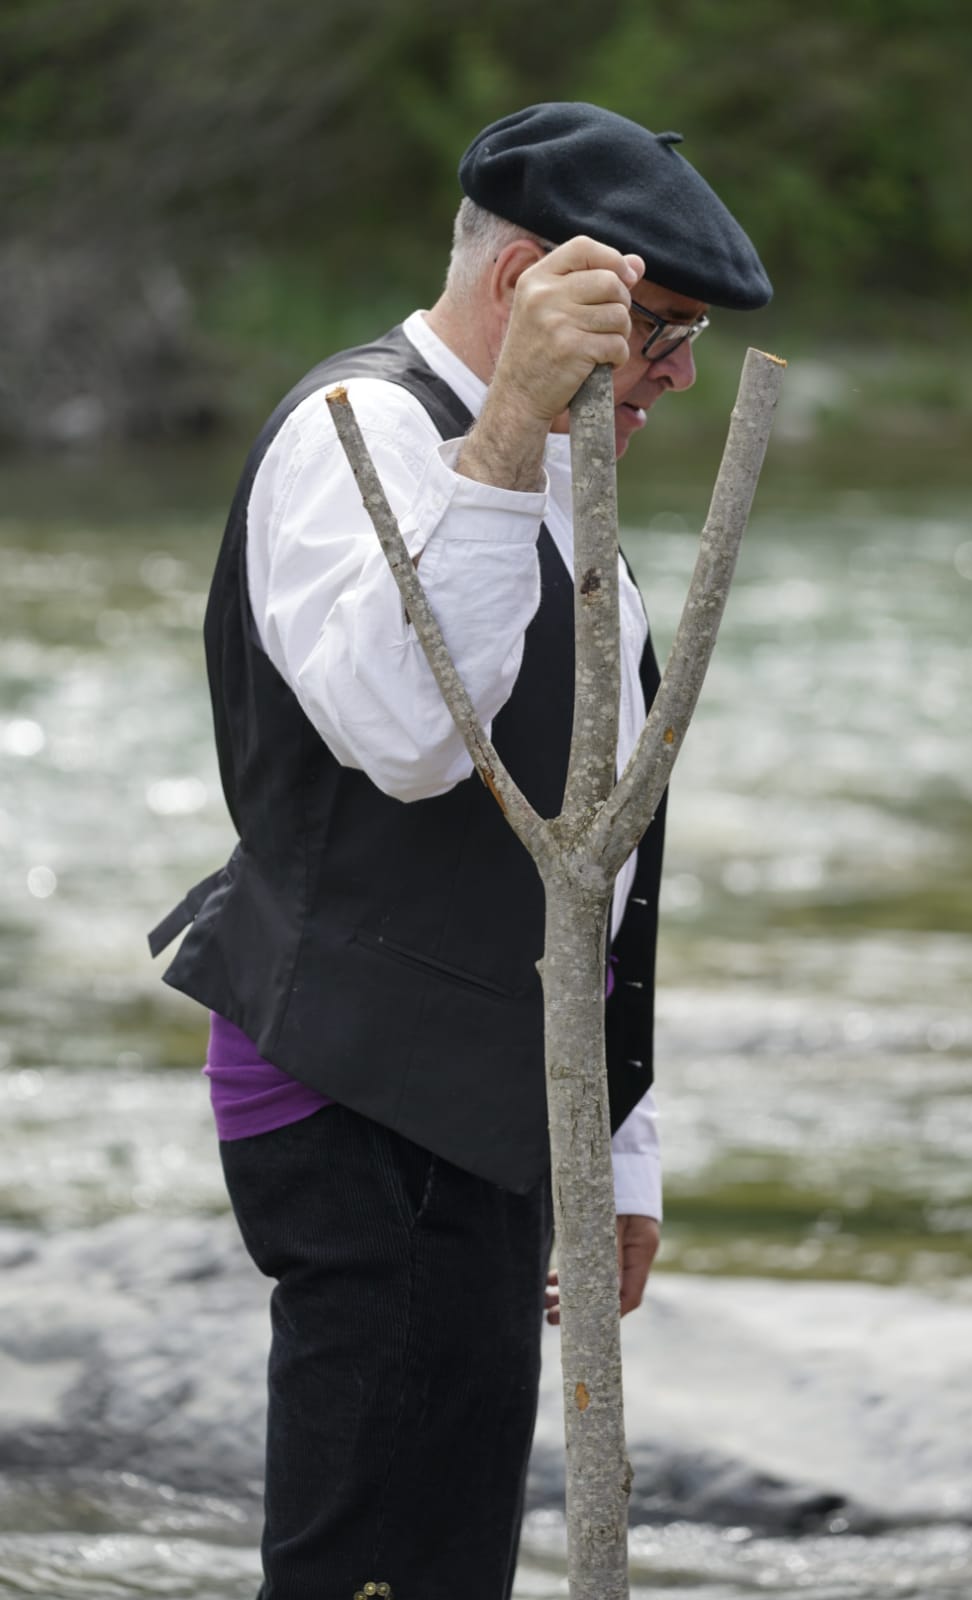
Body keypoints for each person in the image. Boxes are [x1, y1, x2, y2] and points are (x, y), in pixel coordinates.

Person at [149, 101, 771, 1600]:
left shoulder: (554, 469)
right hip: (363, 1092)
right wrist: (506, 431)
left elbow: (591, 853)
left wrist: (614, 1141)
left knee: (442, 1562)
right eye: (662, 331)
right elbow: (410, 738)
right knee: (379, 1567)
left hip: (470, 1095)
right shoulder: (359, 435)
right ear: (527, 292)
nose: (676, 380)